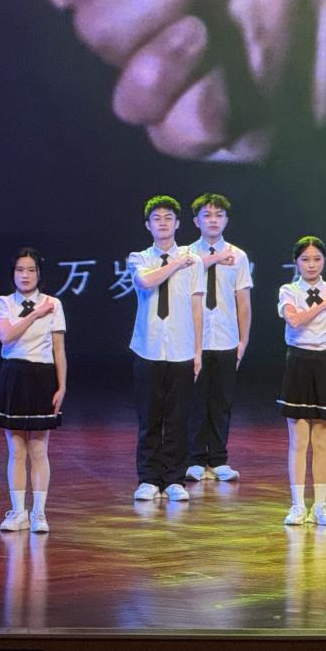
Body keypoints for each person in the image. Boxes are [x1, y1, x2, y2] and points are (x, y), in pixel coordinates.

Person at [127, 195, 204, 502]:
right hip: (147, 348)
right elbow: (146, 283)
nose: (163, 223)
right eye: (156, 218)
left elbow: (197, 307)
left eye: (168, 218)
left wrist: (198, 351)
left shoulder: (193, 261)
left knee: (178, 417)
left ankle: (174, 480)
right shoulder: (139, 257)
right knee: (149, 418)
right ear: (148, 225)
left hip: (182, 348)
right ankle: (148, 478)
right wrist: (175, 263)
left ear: (178, 224)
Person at [0, 248, 68, 533]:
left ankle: (39, 513)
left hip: (42, 376)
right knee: (16, 449)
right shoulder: (3, 303)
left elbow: (59, 350)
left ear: (39, 273)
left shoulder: (53, 303)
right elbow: (6, 335)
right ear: (12, 273)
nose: (25, 275)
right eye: (20, 269)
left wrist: (62, 386)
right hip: (13, 375)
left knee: (38, 448)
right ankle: (18, 512)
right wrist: (35, 314)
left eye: (31, 270)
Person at [278, 236, 326, 527]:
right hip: (299, 362)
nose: (311, 265)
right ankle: (298, 506)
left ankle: (320, 506)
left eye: (317, 259)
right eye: (305, 259)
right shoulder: (289, 290)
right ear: (296, 262)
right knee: (299, 440)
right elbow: (294, 321)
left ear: (324, 261)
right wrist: (324, 305)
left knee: (323, 441)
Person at [184, 192, 253, 483]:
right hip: (193, 340)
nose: (213, 221)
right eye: (207, 215)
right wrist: (215, 259)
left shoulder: (238, 256)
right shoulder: (185, 255)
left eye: (219, 215)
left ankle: (219, 459)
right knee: (195, 401)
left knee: (222, 401)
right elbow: (187, 275)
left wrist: (243, 340)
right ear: (196, 221)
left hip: (226, 337)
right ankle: (195, 459)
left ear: (226, 220)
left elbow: (243, 302)